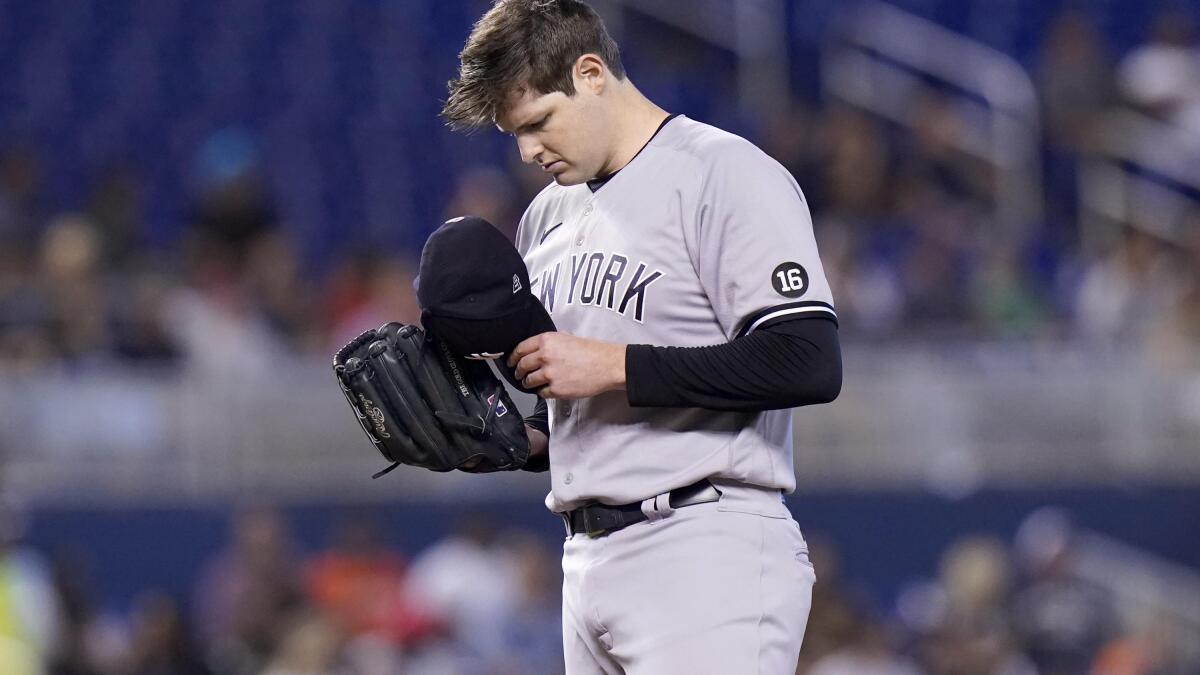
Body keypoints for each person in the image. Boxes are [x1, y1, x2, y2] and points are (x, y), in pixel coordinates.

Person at [441, 1, 842, 673]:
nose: (528, 150)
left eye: (538, 121)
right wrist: (523, 441)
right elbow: (582, 388)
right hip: (585, 555)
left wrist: (615, 366)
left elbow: (806, 360)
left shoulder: (724, 173)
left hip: (705, 543)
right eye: (514, 133)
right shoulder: (545, 215)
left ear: (592, 72)